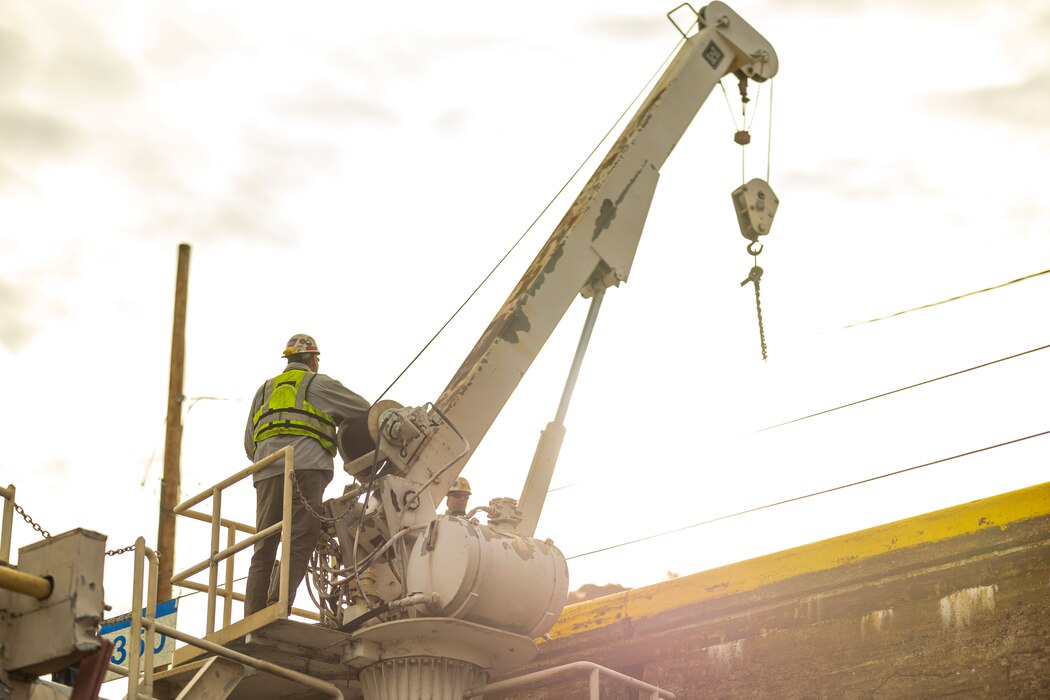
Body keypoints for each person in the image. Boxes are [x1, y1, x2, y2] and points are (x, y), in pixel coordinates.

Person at [243, 333, 370, 616]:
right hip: (307, 469)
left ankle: (252, 612)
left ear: (287, 360)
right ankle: (277, 604)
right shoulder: (319, 383)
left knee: (264, 544)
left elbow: (249, 443)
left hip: (266, 471)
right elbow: (365, 410)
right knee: (300, 537)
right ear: (313, 360)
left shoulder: (264, 390)